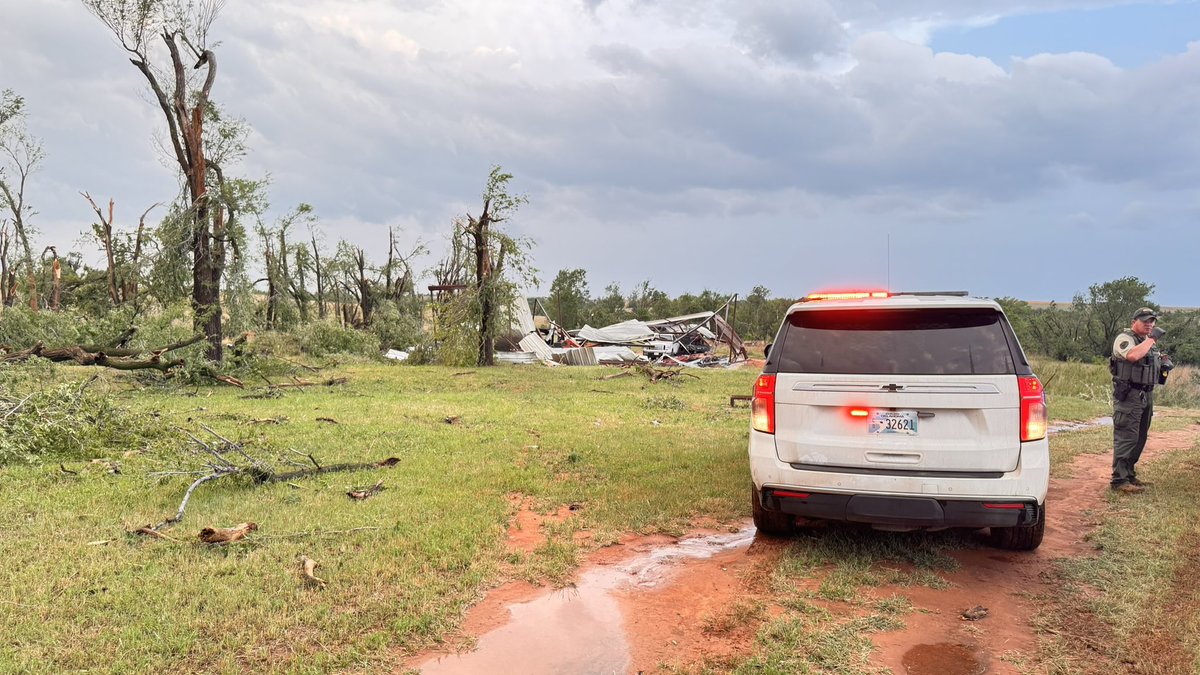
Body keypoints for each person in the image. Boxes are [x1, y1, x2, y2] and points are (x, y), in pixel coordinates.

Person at [1109, 307, 1166, 494]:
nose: (1149, 324)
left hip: (1146, 394)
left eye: (1152, 321)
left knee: (1140, 436)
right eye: (1145, 321)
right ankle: (1119, 480)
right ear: (1134, 321)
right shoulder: (1125, 339)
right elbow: (1132, 355)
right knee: (1127, 436)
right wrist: (1151, 340)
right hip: (1129, 394)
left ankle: (1129, 474)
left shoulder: (1148, 342)